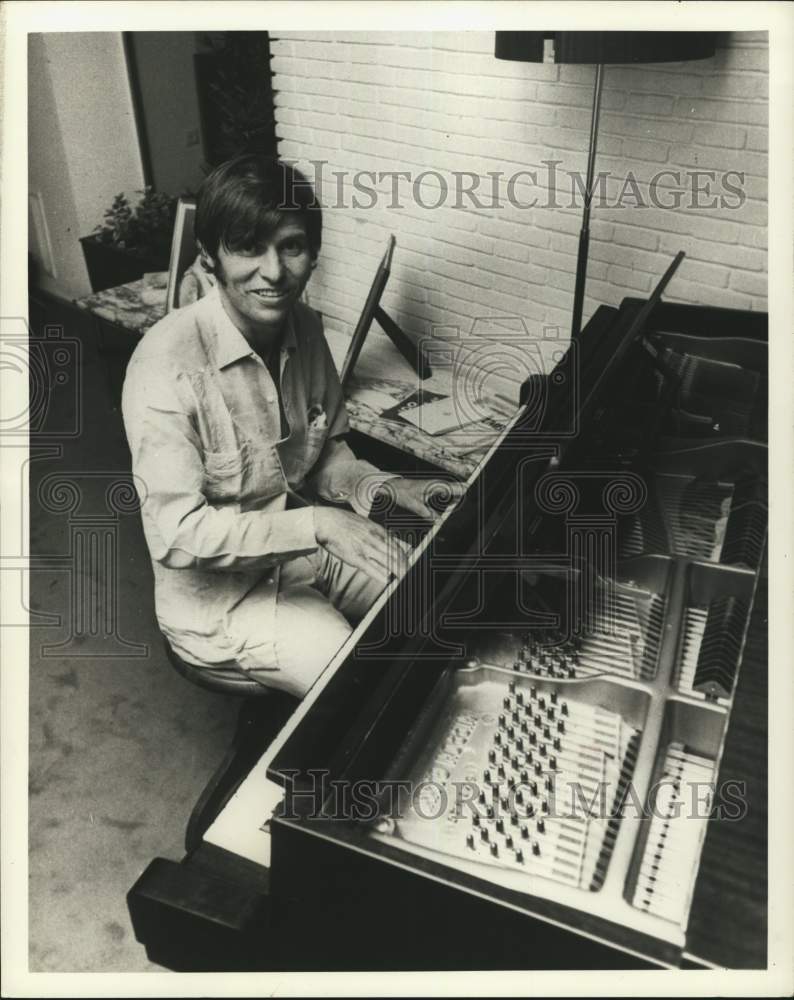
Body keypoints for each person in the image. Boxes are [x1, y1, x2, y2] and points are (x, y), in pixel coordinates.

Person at [122, 155, 464, 698]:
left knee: (434, 597)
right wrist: (319, 527)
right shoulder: (163, 364)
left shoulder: (304, 326)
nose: (275, 272)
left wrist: (387, 487)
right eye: (249, 247)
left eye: (292, 246)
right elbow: (177, 535)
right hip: (223, 602)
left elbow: (325, 452)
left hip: (301, 555)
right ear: (210, 258)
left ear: (313, 253)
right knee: (360, 687)